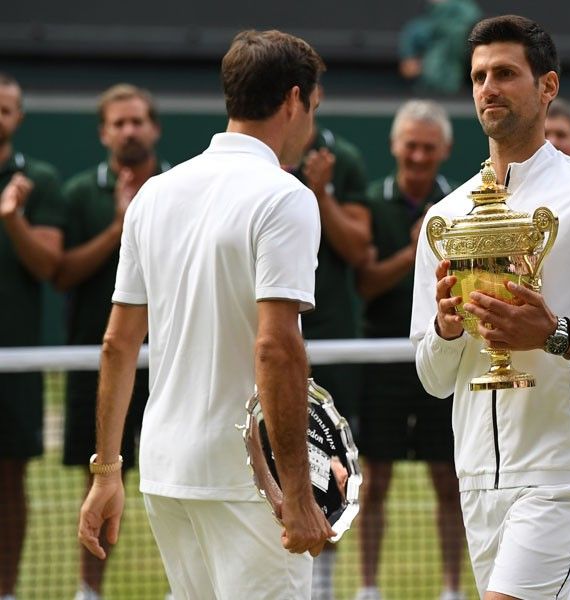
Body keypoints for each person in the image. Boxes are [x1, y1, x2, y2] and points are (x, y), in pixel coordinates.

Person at [410, 16, 570, 600]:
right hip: (477, 476)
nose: (488, 88)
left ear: (548, 86)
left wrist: (557, 333)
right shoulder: (445, 217)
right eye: (479, 76)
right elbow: (431, 378)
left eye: (505, 73)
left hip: (566, 471)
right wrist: (447, 331)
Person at [77, 29, 334, 599]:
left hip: (167, 472)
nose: (311, 123)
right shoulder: (286, 195)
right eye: (313, 108)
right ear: (293, 100)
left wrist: (106, 471)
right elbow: (275, 347)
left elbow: (118, 343)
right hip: (246, 481)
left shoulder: (154, 194)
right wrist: (295, 492)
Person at [54, 83, 167, 600]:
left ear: (155, 128)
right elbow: (63, 273)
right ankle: (89, 592)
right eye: (118, 123)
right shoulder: (79, 194)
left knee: (174, 480)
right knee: (100, 480)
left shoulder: (177, 190)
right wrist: (121, 227)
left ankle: (182, 588)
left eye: (137, 121)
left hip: (169, 363)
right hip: (101, 365)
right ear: (103, 133)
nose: (129, 131)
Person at [355, 99, 465, 600]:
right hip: (382, 365)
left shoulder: (463, 205)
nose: (419, 156)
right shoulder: (370, 203)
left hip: (445, 360)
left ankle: (451, 588)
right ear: (396, 146)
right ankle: (370, 587)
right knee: (374, 480)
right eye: (411, 146)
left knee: (450, 480)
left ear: (444, 150)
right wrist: (415, 249)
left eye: (429, 147)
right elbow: (365, 284)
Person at [286, 107, 371, 600]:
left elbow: (359, 248)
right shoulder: (259, 159)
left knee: (328, 470)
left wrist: (320, 191)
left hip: (331, 339)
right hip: (264, 333)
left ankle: (321, 587)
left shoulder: (344, 160)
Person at [0, 73, 65, 600]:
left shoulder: (38, 178)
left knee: (8, 484)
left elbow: (49, 266)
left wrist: (14, 217)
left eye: (5, 109)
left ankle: (7, 590)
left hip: (14, 358)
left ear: (18, 118)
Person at [398, 0, 482, 94]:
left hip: (462, 90)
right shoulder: (417, 30)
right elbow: (408, 69)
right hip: (427, 90)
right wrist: (429, 66)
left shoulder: (468, 22)